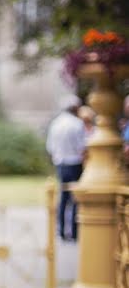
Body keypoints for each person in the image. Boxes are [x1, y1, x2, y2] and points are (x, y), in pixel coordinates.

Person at [46, 94, 86, 241]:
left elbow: (50, 147)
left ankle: (62, 231)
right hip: (74, 163)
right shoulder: (77, 124)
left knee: (63, 198)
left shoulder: (55, 123)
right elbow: (81, 146)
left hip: (61, 164)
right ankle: (74, 232)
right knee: (75, 198)